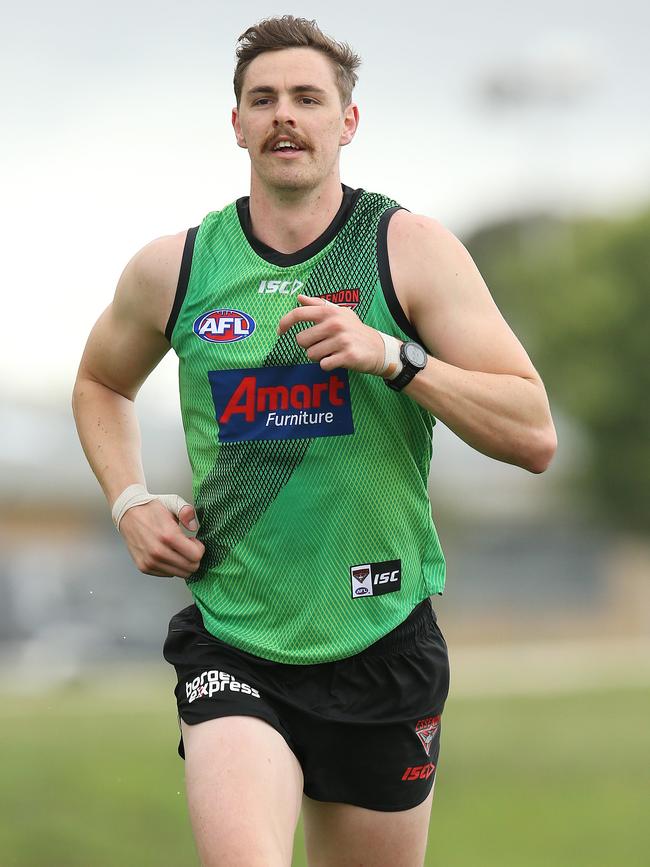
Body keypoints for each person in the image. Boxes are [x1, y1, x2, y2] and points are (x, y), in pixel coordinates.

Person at [72, 15, 557, 867]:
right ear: (238, 125)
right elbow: (101, 383)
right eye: (263, 100)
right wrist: (129, 501)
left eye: (307, 97)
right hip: (234, 636)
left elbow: (532, 432)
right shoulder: (177, 267)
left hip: (383, 636)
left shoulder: (408, 252)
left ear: (348, 121)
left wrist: (394, 357)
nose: (284, 116)